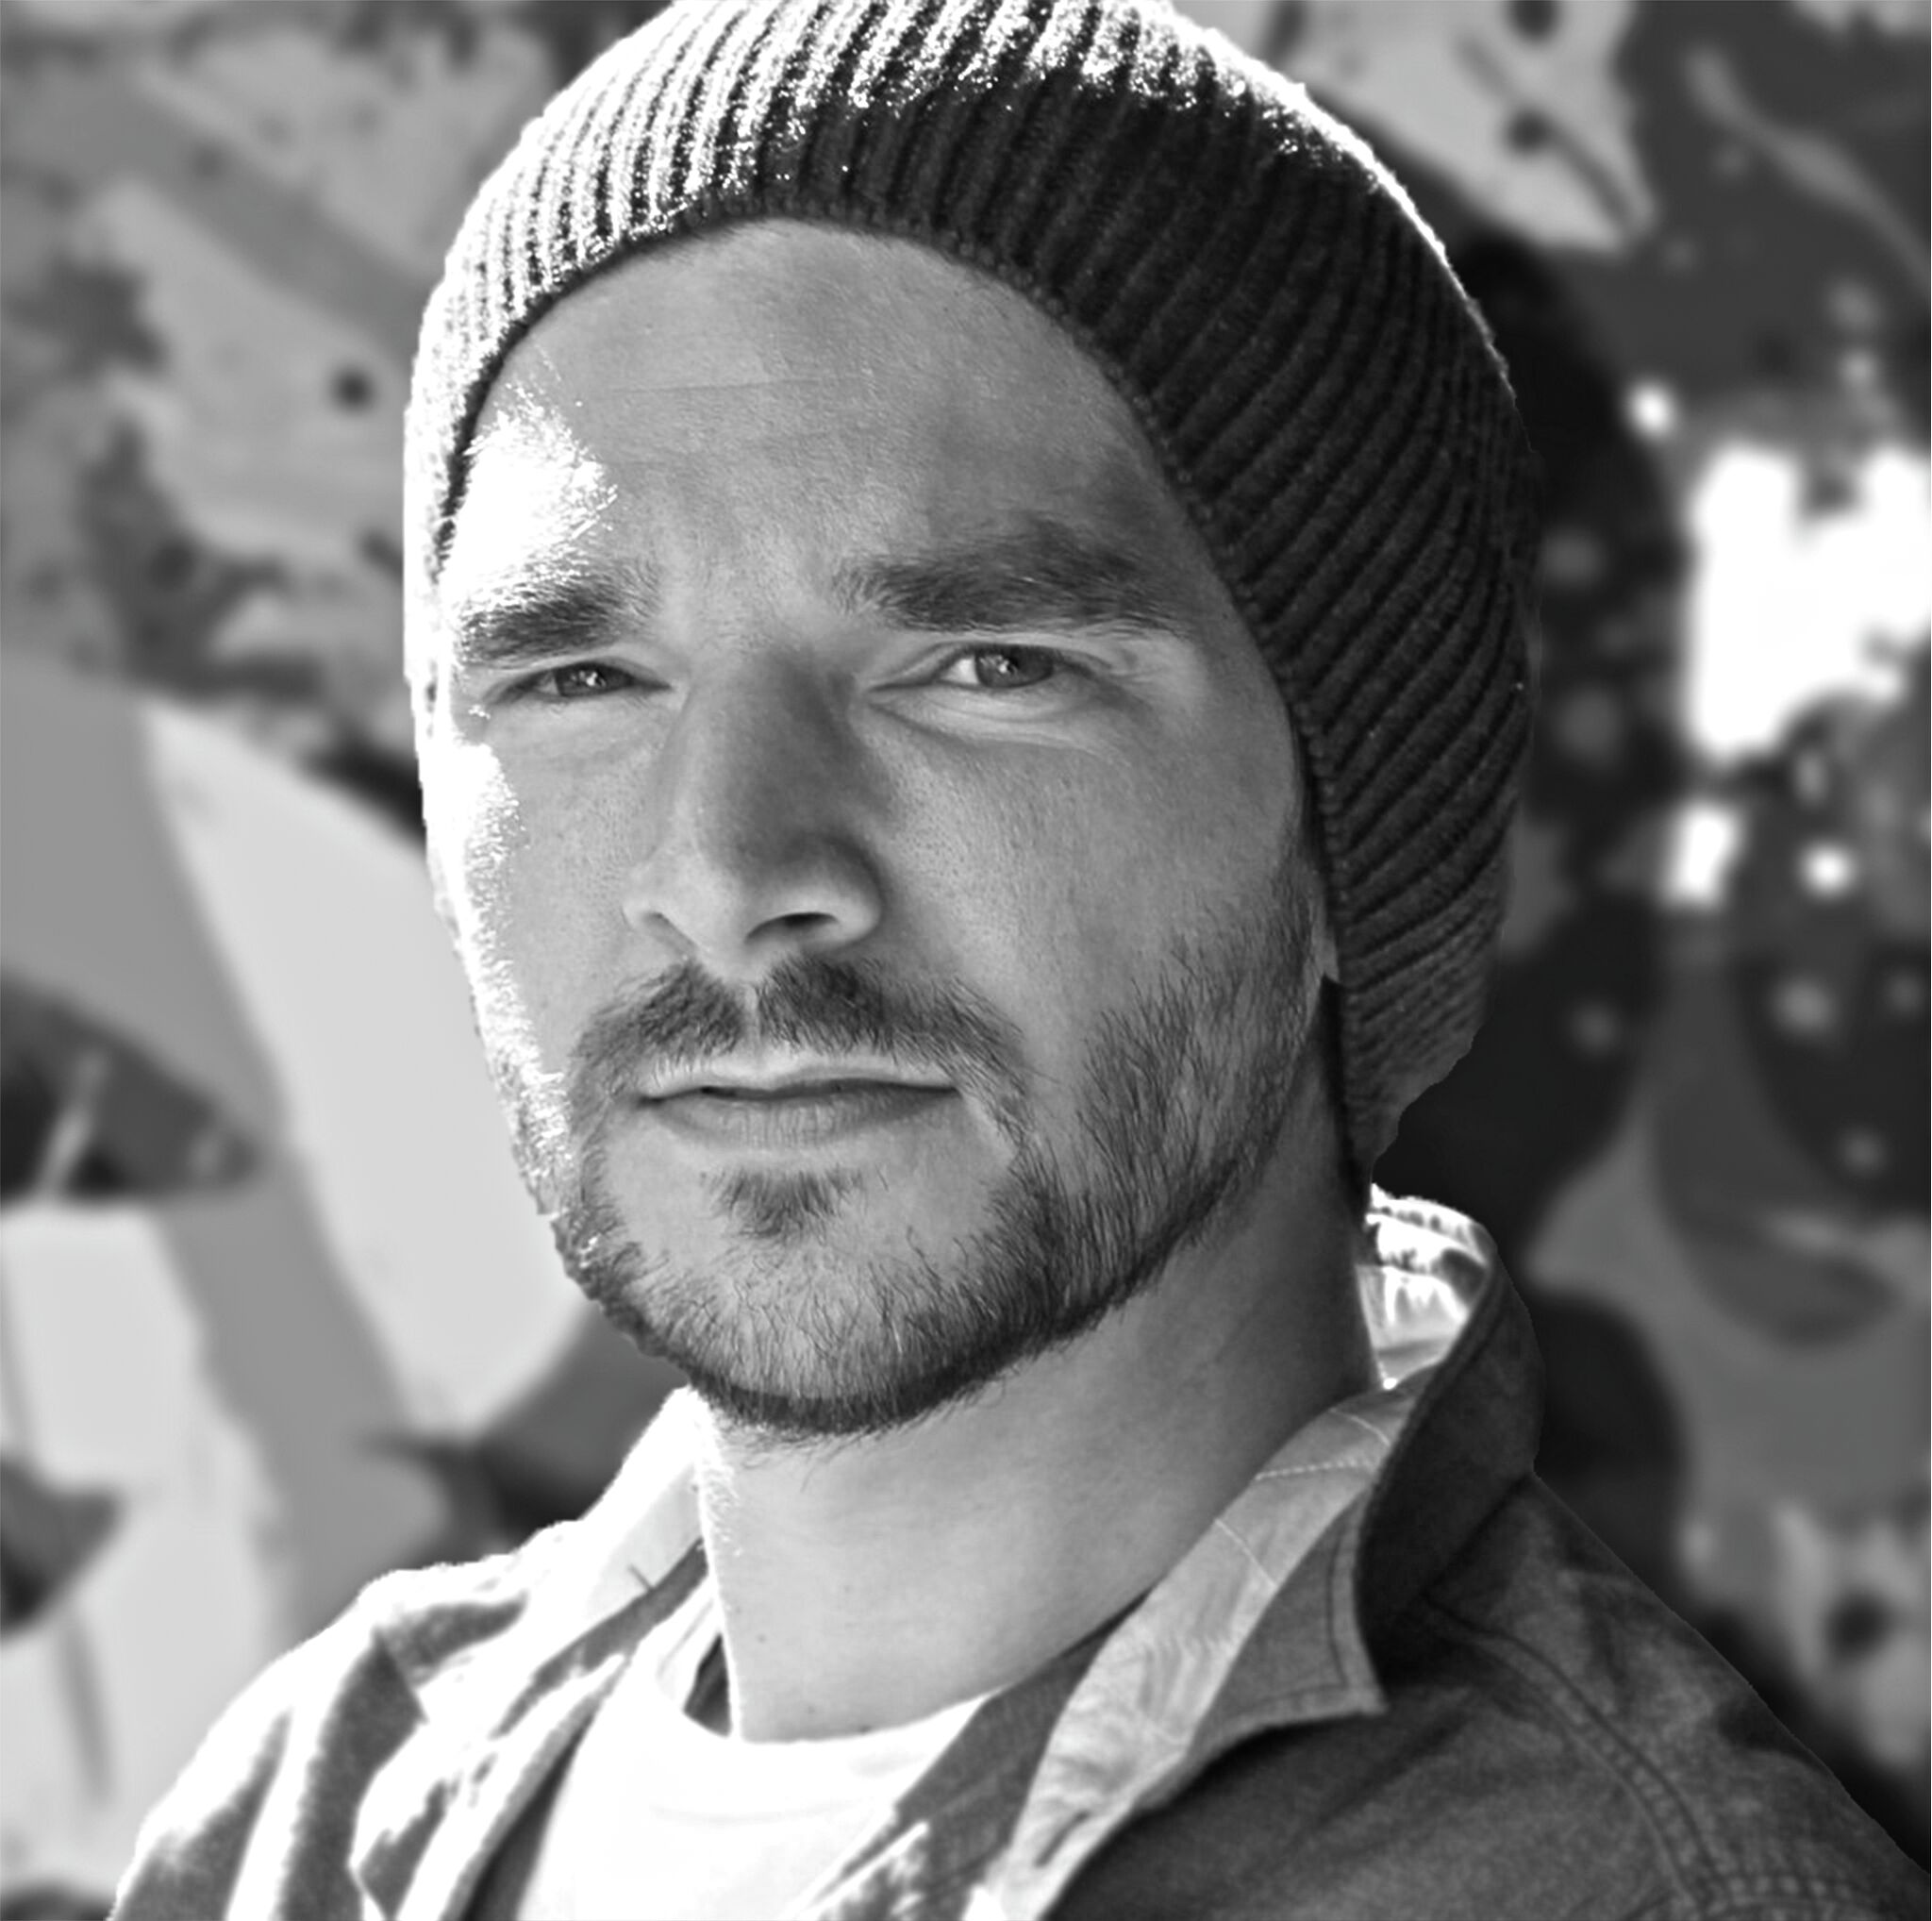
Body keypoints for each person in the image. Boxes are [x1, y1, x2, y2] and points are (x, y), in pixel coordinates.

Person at [110, 2, 1926, 1916]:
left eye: (983, 667)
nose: (728, 874)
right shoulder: (310, 1814)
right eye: (578, 679)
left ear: (1357, 827)